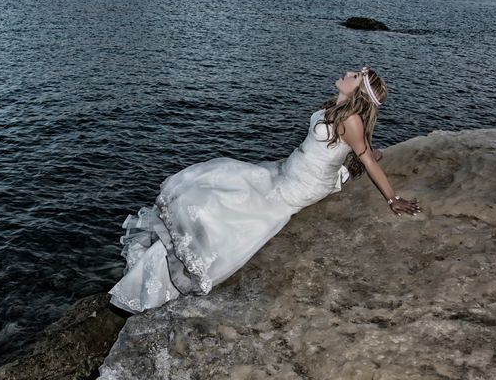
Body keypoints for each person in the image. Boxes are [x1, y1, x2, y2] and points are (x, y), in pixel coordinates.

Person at [107, 67, 421, 315]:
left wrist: (392, 198)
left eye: (355, 76)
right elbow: (349, 148)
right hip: (287, 168)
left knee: (214, 207)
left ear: (358, 92)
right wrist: (364, 152)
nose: (348, 74)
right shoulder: (339, 109)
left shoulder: (351, 120)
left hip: (296, 187)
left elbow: (363, 153)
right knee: (218, 175)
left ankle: (159, 281)